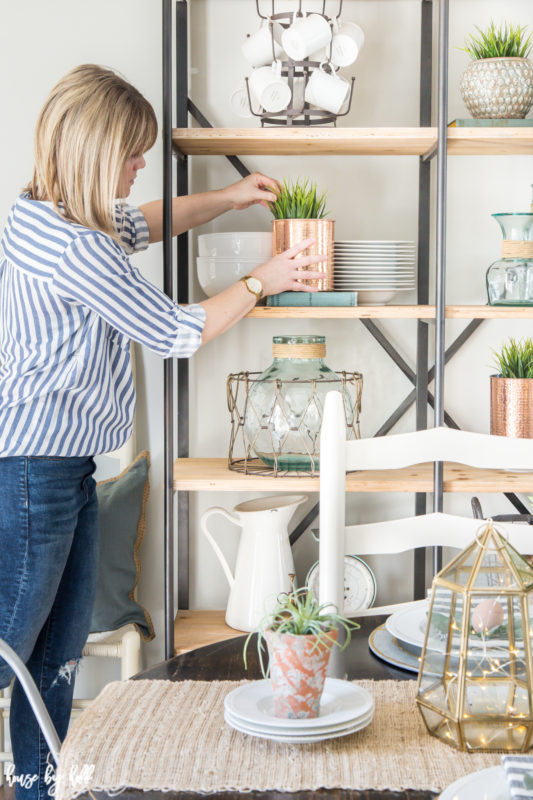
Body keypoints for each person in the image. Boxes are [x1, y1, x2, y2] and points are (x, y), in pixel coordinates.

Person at [0, 63, 325, 798]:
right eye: (132, 152)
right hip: (34, 469)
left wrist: (230, 197)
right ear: (94, 153)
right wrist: (262, 281)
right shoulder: (76, 249)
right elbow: (177, 330)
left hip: (57, 463)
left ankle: (35, 787)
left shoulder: (46, 210)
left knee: (52, 657)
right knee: (11, 652)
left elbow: (145, 219)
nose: (142, 162)